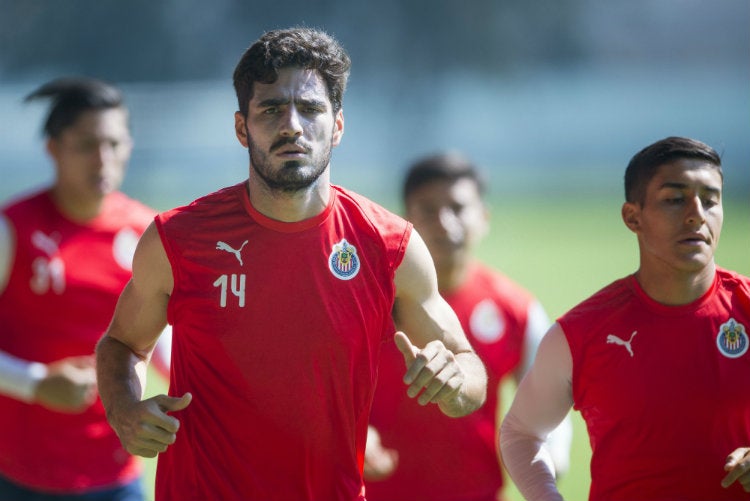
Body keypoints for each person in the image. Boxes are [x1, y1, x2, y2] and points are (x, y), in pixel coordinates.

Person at [94, 27, 488, 501]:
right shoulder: (178, 238)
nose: (293, 126)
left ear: (338, 125)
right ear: (243, 127)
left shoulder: (390, 246)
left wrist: (455, 383)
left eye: (311, 109)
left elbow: (469, 370)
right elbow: (120, 344)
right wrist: (124, 409)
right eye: (272, 109)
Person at [499, 136, 750, 500]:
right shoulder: (581, 332)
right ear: (633, 217)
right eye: (675, 199)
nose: (697, 213)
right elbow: (522, 433)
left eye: (710, 200)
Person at [364, 152, 571, 501]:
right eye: (428, 209)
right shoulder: (368, 301)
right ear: (404, 221)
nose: (445, 223)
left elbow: (550, 404)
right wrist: (353, 436)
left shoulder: (516, 309)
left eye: (458, 208)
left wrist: (550, 459)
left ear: (483, 217)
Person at [0, 77, 168, 500]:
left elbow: (164, 342)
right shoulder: (12, 230)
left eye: (114, 144)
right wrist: (35, 384)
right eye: (86, 145)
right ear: (53, 149)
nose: (103, 159)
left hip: (116, 475)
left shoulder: (148, 233)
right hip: (17, 475)